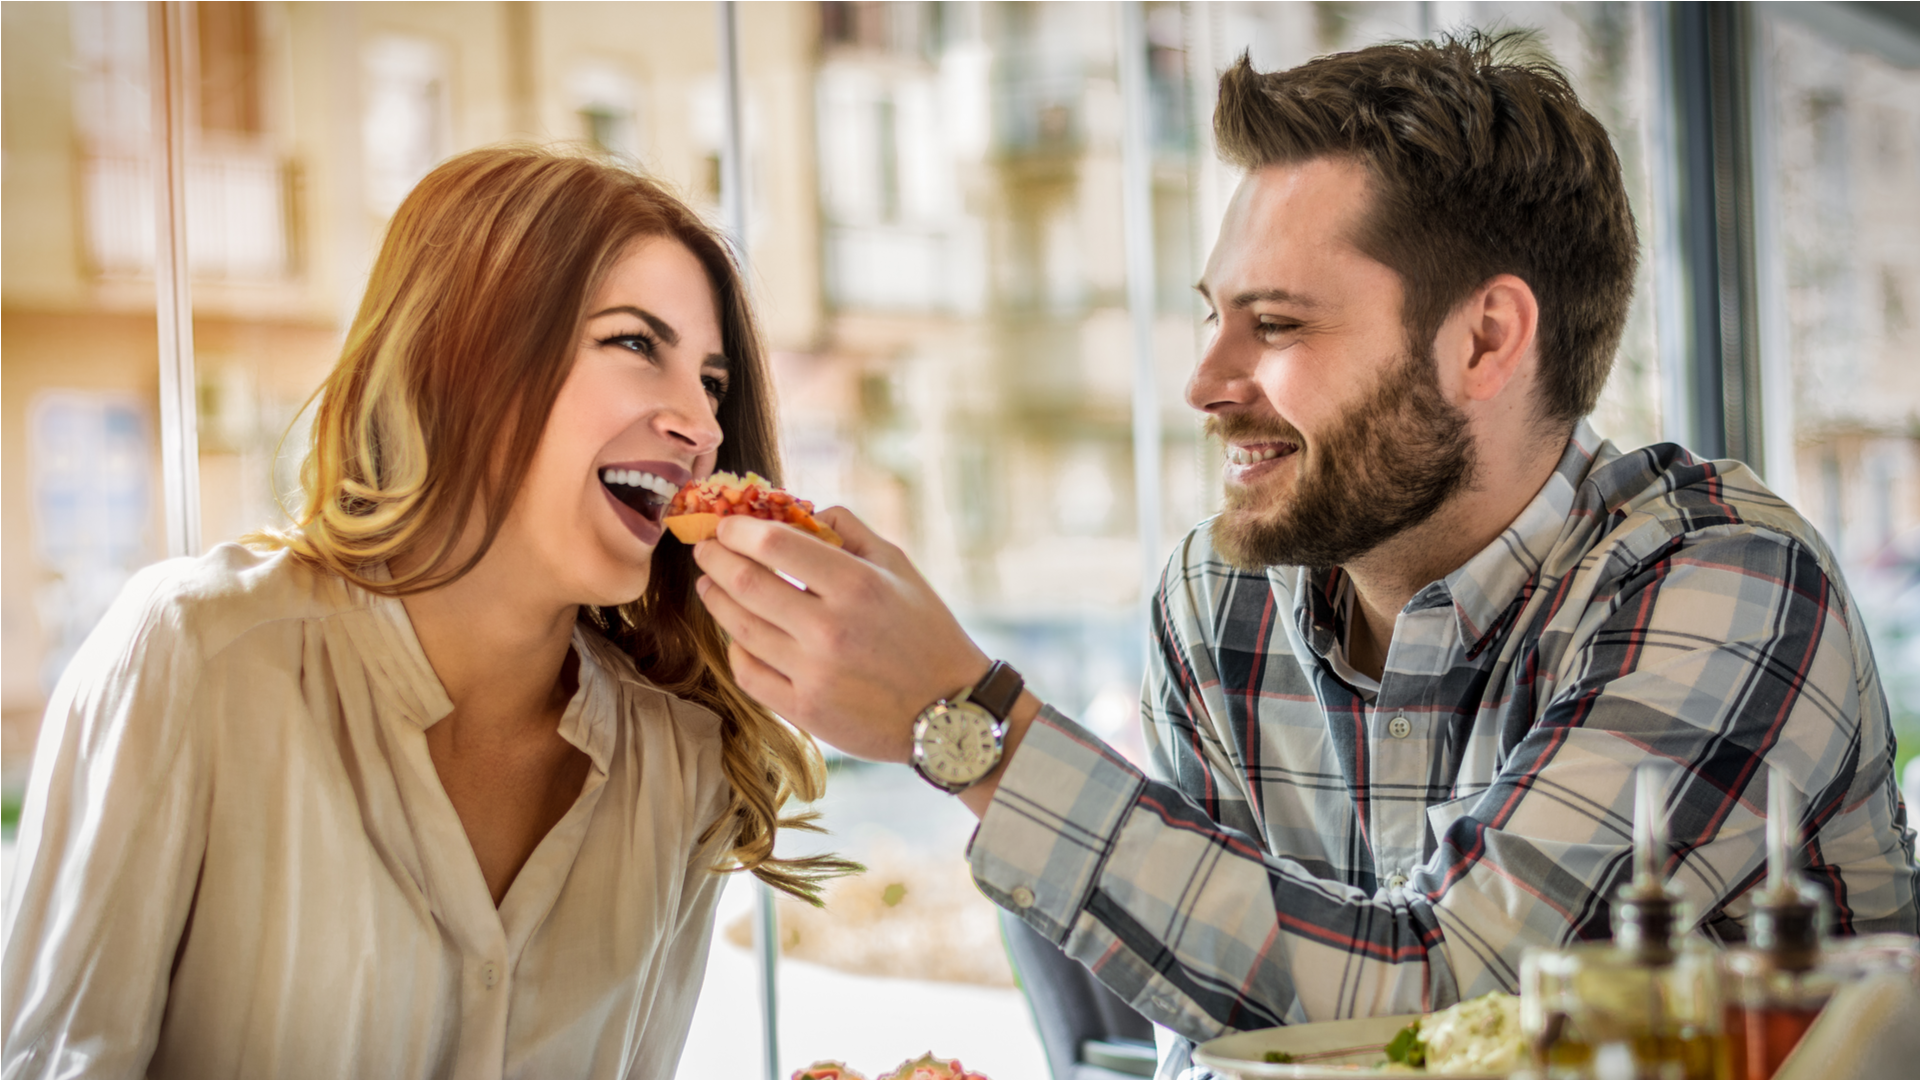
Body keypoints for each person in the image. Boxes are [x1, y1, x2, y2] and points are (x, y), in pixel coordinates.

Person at [689, 34, 1919, 1077]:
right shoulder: (1223, 599)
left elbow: (1449, 1017)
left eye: (1275, 324)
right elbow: (1223, 1042)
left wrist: (964, 724)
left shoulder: (1725, 586)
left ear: (1486, 339)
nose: (1205, 382)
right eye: (1210, 314)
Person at [1, 146, 851, 1078]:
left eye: (715, 382)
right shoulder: (196, 657)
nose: (702, 424)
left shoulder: (678, 769)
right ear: (469, 352)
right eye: (636, 344)